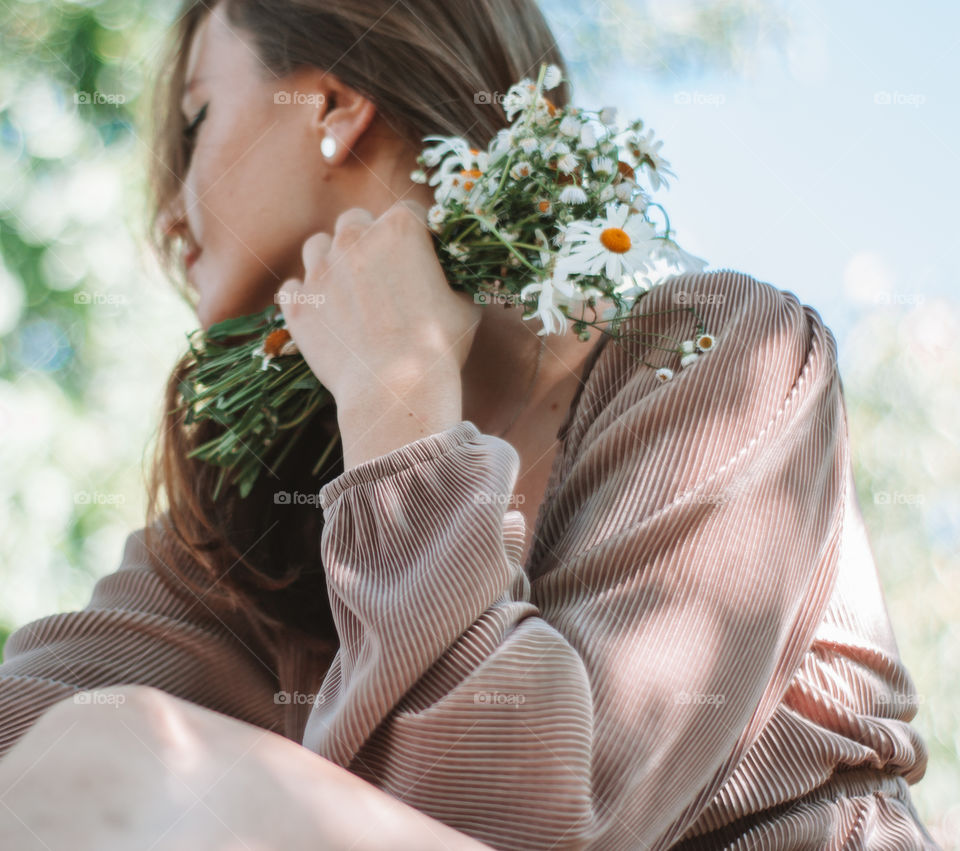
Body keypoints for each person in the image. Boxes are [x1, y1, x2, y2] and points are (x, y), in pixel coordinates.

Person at [0, 1, 940, 848]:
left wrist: (396, 410)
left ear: (331, 106)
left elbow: (522, 825)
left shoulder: (721, 357)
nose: (168, 219)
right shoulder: (247, 512)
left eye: (198, 121)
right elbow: (25, 733)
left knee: (120, 753)